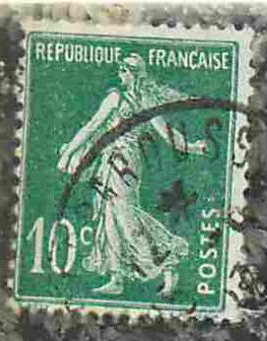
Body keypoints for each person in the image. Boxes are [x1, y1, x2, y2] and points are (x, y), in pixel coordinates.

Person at [55, 54, 210, 298]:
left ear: (135, 73)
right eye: (120, 69)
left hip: (127, 164)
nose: (121, 73)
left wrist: (192, 147)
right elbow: (91, 127)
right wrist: (72, 150)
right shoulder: (115, 97)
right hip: (108, 162)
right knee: (108, 216)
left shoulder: (145, 100)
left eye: (125, 69)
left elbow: (167, 134)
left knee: (126, 216)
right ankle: (116, 277)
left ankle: (168, 265)